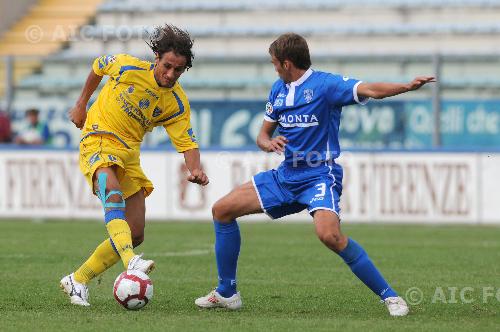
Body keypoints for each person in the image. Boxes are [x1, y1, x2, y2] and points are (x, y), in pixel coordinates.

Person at [195, 33, 434, 316]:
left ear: (286, 63)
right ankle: (227, 292)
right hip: (286, 176)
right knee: (222, 210)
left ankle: (390, 297)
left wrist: (406, 86)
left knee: (329, 235)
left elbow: (369, 89)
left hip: (320, 174)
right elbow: (262, 134)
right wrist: (267, 143)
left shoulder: (326, 85)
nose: (274, 69)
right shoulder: (278, 89)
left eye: (275, 64)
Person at [61, 24, 209, 307]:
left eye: (178, 70)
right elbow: (97, 67)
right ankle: (131, 263)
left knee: (136, 232)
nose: (170, 74)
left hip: (129, 154)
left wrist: (195, 169)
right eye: (167, 66)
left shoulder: (176, 102)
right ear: (156, 57)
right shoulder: (127, 67)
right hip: (99, 137)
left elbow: (187, 142)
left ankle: (76, 280)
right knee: (112, 192)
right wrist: (81, 104)